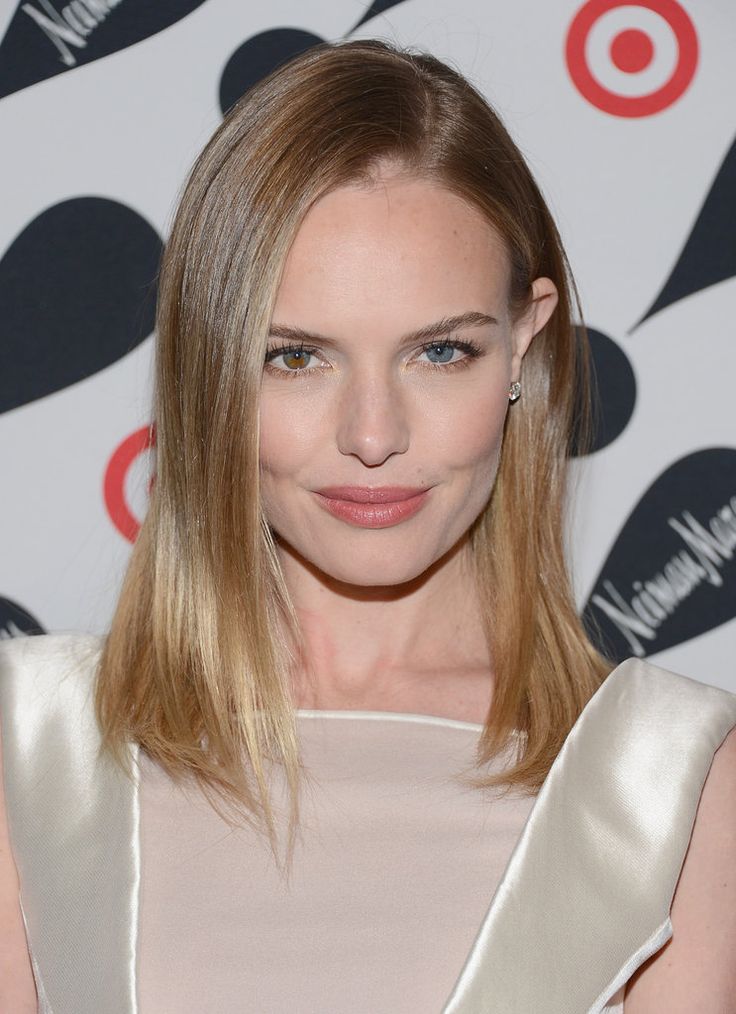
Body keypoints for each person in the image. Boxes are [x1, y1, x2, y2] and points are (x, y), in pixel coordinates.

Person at [1, 38, 735, 1014]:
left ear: (524, 344)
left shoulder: (672, 779)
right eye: (297, 358)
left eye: (439, 352)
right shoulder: (33, 745)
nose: (373, 436)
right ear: (208, 367)